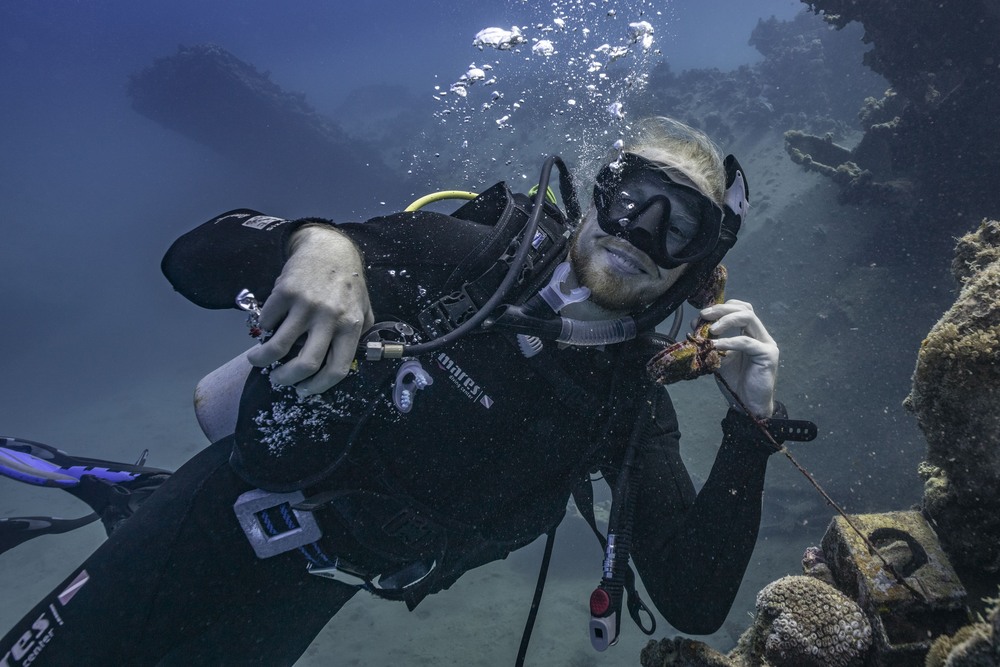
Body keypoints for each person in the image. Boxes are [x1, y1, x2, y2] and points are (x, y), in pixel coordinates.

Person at [0, 117, 801, 666]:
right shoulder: (463, 259)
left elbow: (694, 598)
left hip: (308, 591)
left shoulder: (624, 407)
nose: (640, 231)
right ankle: (132, 494)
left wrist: (751, 424)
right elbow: (189, 259)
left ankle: (121, 488)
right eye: (632, 198)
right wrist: (312, 243)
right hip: (211, 517)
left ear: (697, 269)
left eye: (679, 226)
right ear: (598, 196)